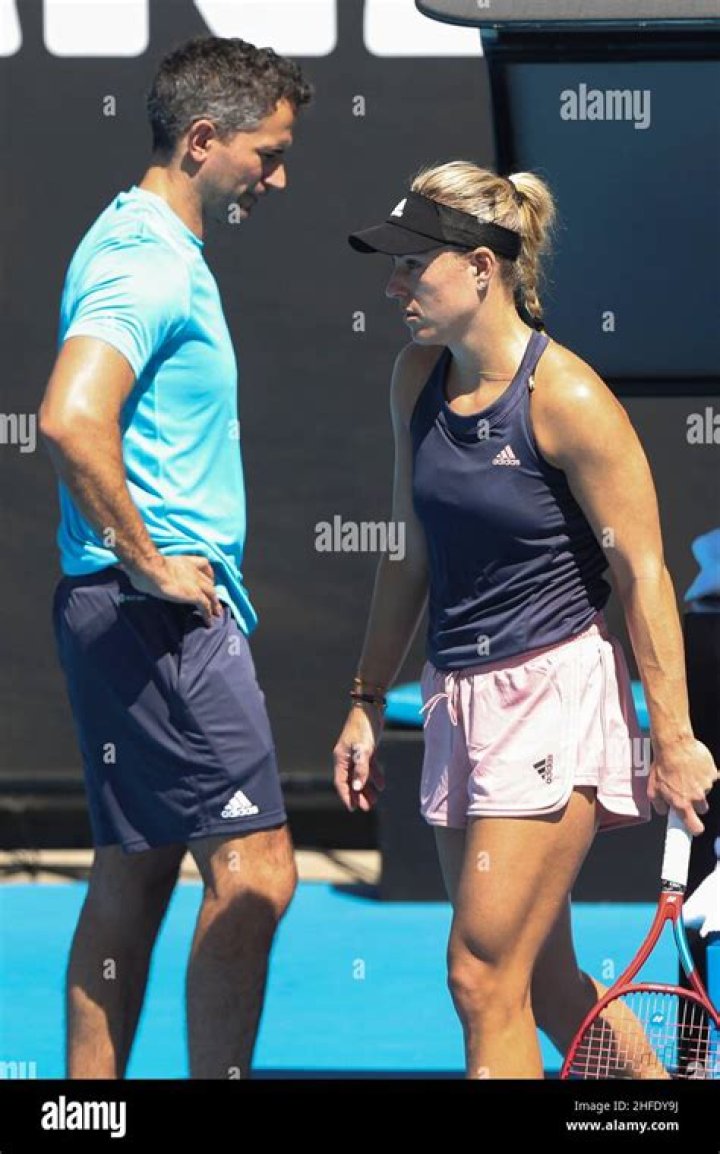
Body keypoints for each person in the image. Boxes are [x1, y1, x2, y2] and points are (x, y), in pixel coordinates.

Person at [333, 162, 719, 1078]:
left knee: (480, 977)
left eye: (412, 266)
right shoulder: (414, 377)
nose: (392, 286)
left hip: (551, 699)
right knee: (540, 983)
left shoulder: (569, 399)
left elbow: (644, 573)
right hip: (455, 698)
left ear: (480, 268)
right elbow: (409, 552)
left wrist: (673, 738)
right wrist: (365, 698)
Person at [39, 36, 312, 1080]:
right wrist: (150, 560)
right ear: (203, 140)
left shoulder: (140, 243)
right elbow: (70, 418)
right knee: (258, 875)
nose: (276, 180)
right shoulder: (145, 259)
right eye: (267, 154)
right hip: (155, 617)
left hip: (114, 611)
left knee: (137, 868)